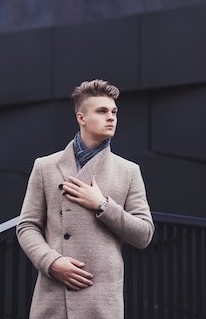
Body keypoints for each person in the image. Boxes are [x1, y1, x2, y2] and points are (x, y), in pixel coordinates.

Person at [16, 79, 155, 319]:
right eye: (101, 111)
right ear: (81, 117)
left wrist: (102, 205)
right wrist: (51, 262)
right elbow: (27, 226)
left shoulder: (128, 171)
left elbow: (144, 234)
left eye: (114, 112)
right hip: (54, 295)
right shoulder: (45, 167)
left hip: (101, 299)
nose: (111, 117)